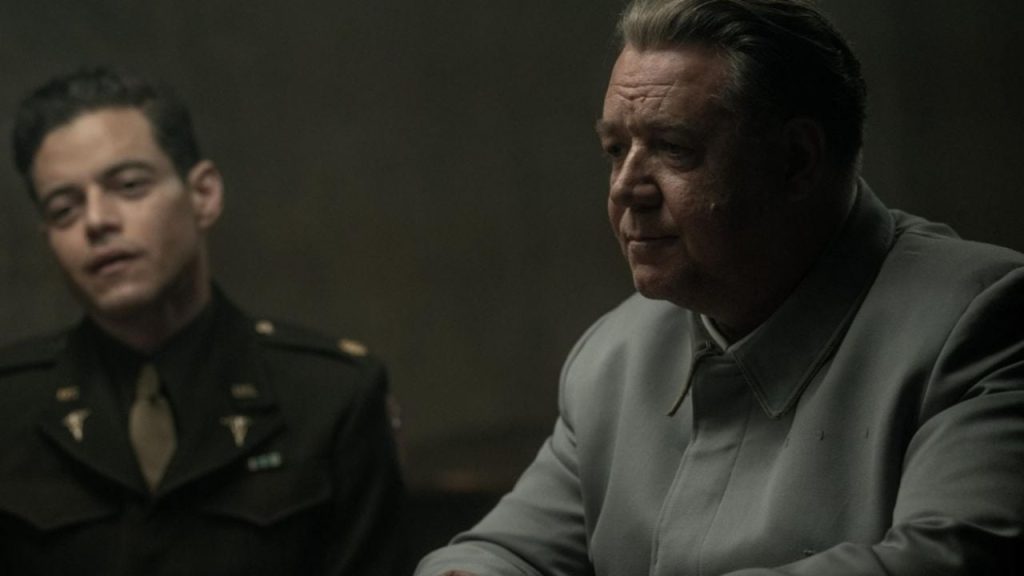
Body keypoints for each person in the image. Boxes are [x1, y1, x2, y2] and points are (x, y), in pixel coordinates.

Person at [416, 0, 1024, 574]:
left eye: (673, 148)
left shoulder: (981, 319)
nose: (626, 187)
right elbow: (502, 551)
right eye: (615, 149)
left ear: (797, 161)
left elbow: (946, 559)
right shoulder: (613, 358)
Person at [0, 67, 404, 575]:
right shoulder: (10, 406)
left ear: (204, 195)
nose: (96, 221)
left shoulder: (330, 398)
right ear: (49, 239)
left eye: (129, 186)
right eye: (64, 209)